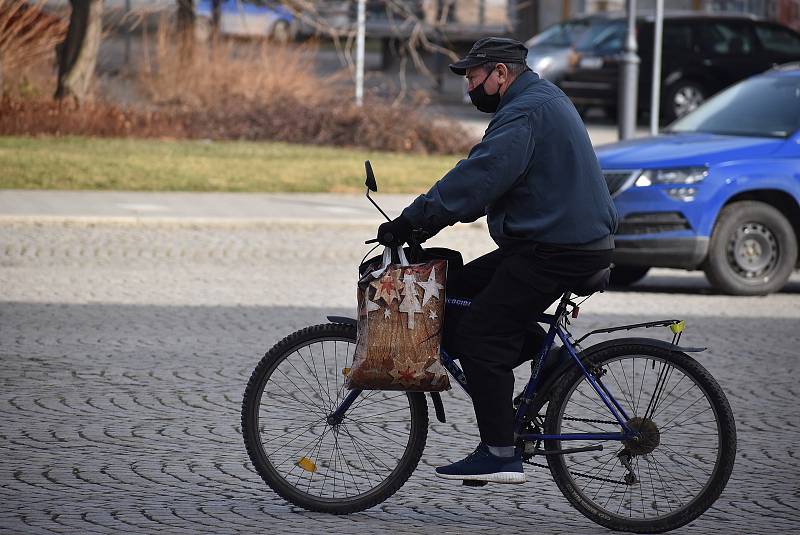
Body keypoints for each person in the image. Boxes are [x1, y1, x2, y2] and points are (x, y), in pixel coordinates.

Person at [376, 37, 618, 484]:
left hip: (556, 249)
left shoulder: (525, 112)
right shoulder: (536, 100)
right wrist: (423, 220)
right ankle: (554, 364)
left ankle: (499, 451)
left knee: (481, 336)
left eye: (473, 77)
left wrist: (412, 222)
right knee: (460, 289)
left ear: (500, 74)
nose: (470, 86)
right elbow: (486, 177)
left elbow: (480, 177)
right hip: (557, 241)